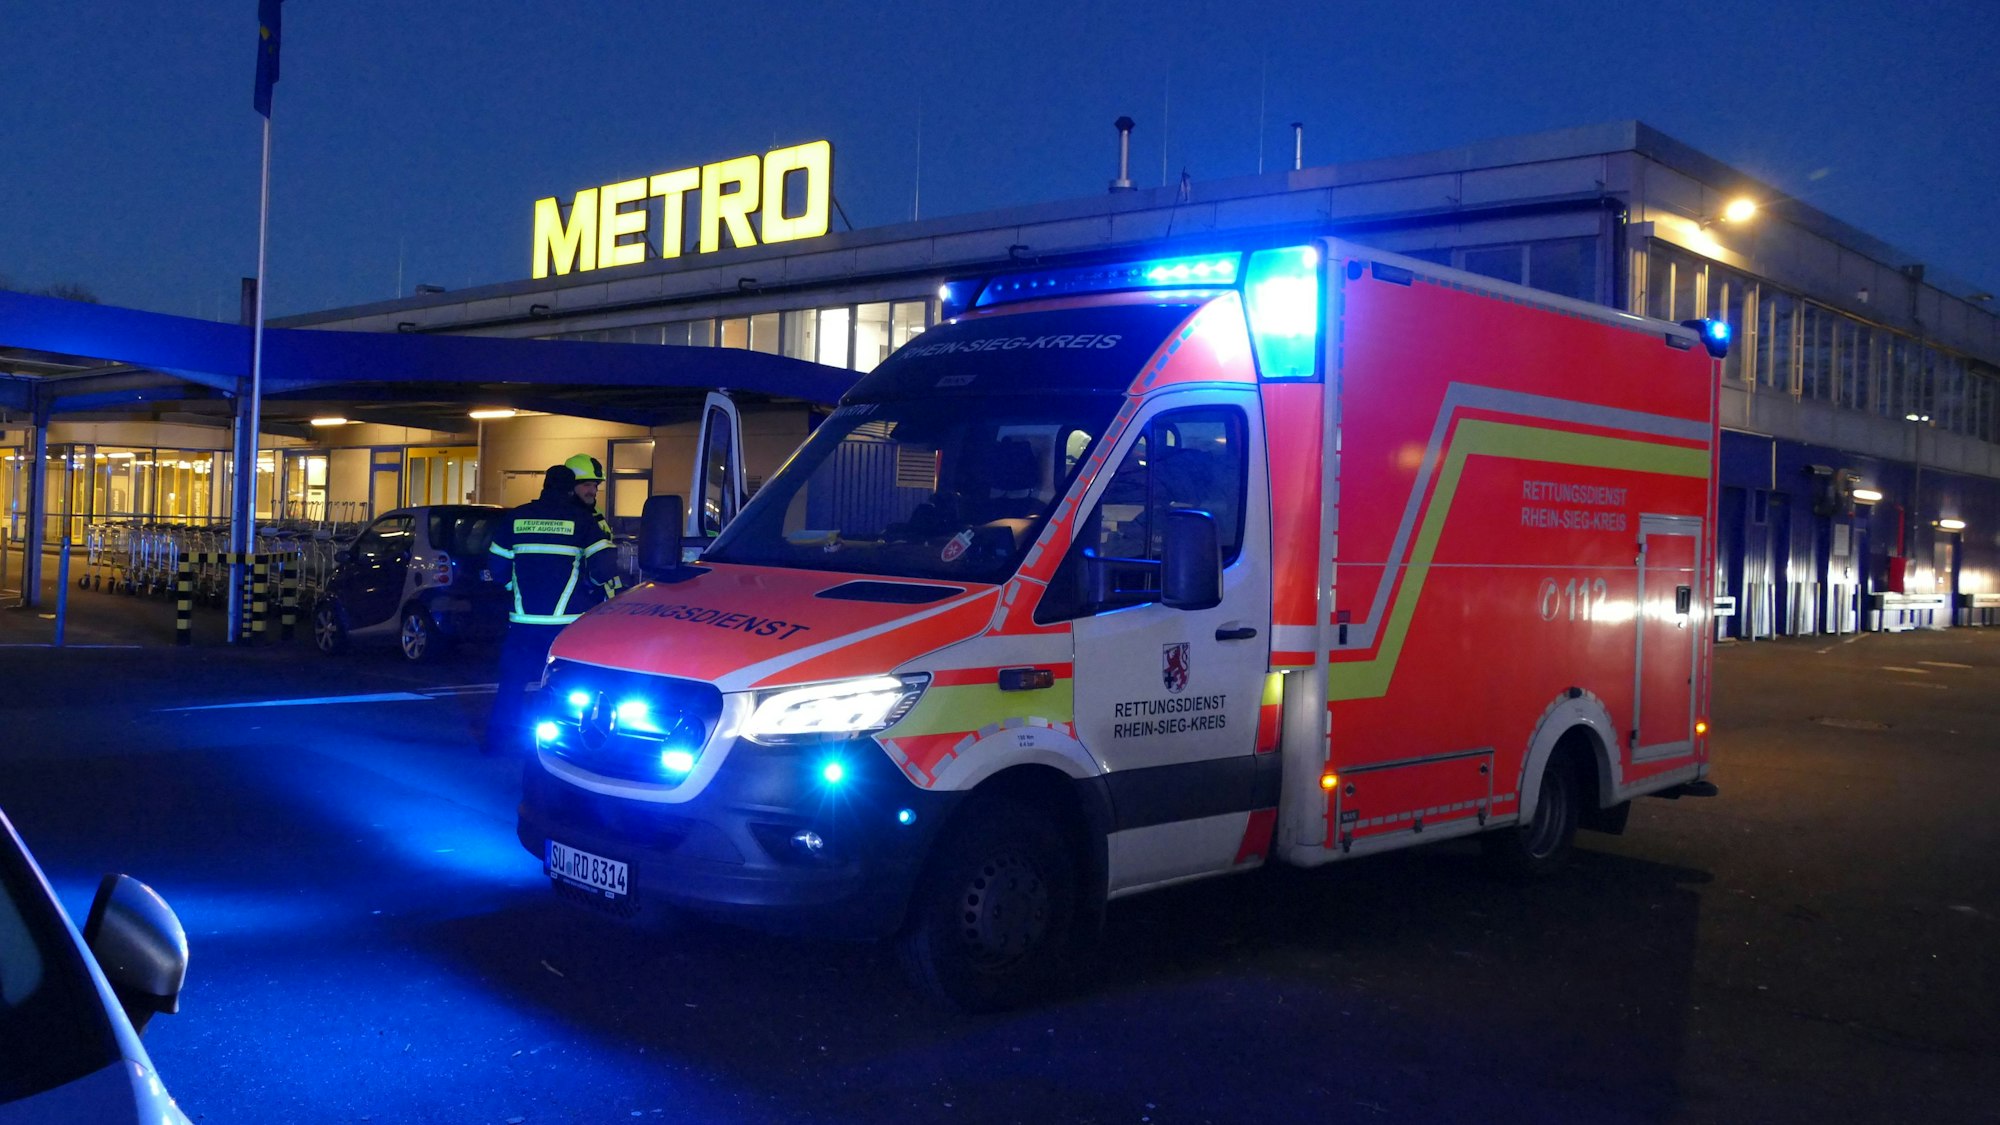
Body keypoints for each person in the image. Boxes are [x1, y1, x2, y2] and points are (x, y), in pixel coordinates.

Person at [481, 459, 619, 755]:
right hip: (567, 625)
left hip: (523, 622)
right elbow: (605, 566)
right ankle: (559, 745)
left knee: (512, 685)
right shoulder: (583, 521)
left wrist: (512, 589)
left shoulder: (517, 518)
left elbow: (496, 566)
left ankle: (496, 744)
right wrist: (589, 585)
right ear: (570, 490)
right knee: (568, 688)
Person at [564, 453, 624, 598]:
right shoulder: (566, 518)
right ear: (571, 486)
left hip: (603, 597)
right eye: (587, 485)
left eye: (595, 485)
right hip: (581, 598)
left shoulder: (596, 514)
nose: (593, 491)